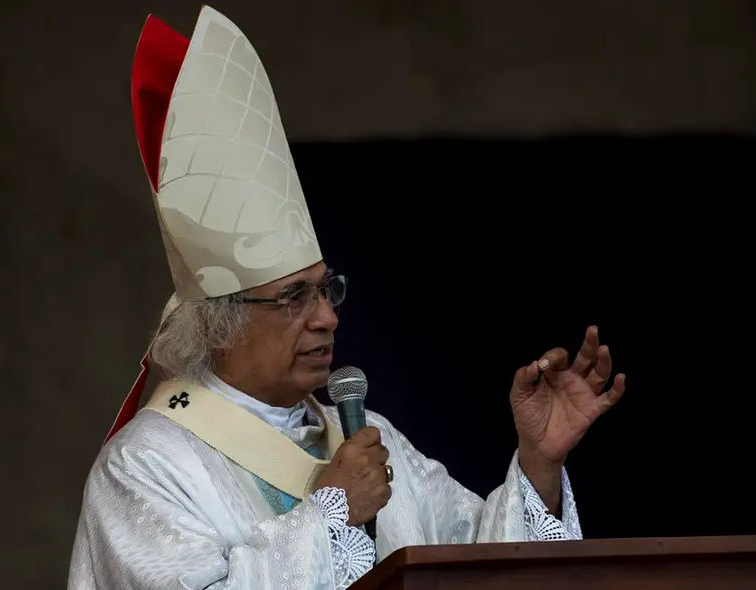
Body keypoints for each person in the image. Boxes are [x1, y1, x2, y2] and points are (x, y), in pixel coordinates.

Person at [67, 6, 626, 590]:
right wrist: (333, 516)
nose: (328, 317)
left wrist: (539, 464)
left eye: (326, 290)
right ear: (219, 323)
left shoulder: (368, 438)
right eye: (293, 298)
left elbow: (474, 567)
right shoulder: (147, 465)